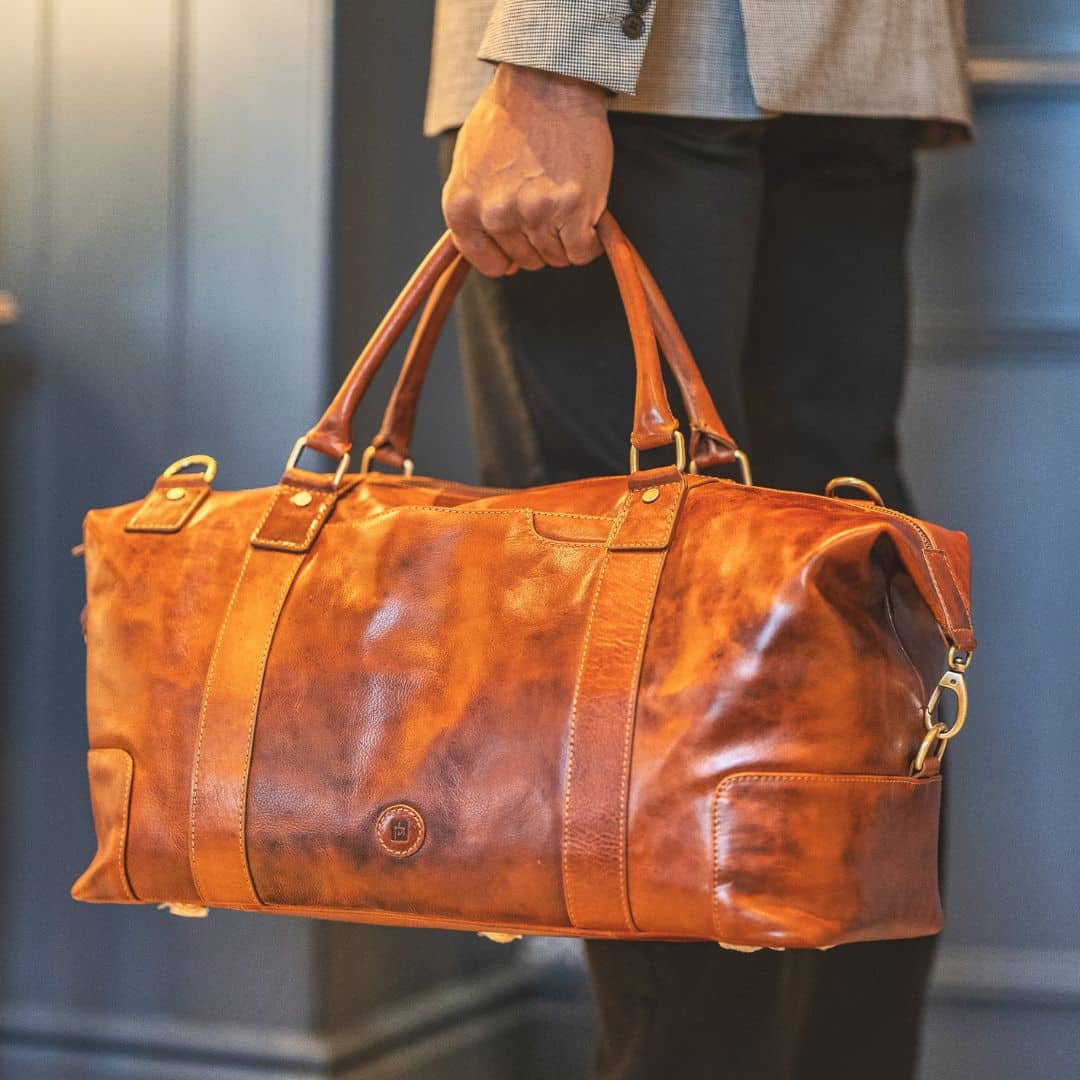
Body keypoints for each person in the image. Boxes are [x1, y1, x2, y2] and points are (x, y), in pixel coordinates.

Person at [423, 2, 971, 1077]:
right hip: (854, 62)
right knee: (846, 638)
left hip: (656, 61)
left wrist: (552, 61)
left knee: (644, 649)